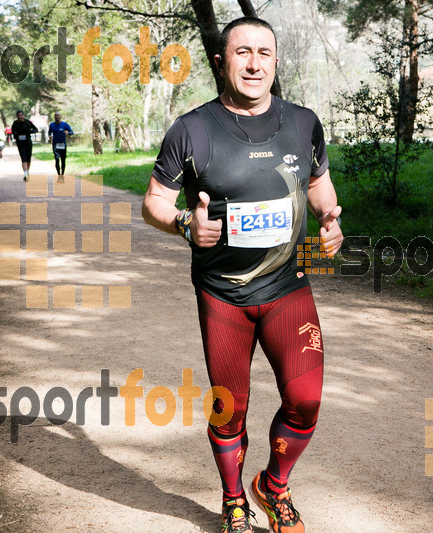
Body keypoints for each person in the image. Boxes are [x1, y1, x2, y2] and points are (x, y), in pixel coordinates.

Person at [142, 17, 343, 533]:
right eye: (242, 52)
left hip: (287, 286)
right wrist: (186, 223)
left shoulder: (303, 122)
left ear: (276, 62)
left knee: (306, 399)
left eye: (265, 53)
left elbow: (319, 182)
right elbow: (154, 203)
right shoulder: (191, 130)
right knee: (228, 409)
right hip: (222, 295)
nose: (254, 64)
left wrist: (329, 220)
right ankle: (234, 499)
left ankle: (273, 486)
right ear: (221, 61)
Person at [11, 110, 39, 181]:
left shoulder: (28, 122)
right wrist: (15, 135)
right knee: (23, 158)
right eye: (18, 116)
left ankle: (27, 172)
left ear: (23, 115)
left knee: (28, 158)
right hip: (20, 143)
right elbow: (12, 131)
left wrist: (30, 131)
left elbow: (36, 129)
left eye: (21, 115)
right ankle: (25, 174)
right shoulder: (15, 123)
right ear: (17, 116)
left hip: (28, 142)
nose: (20, 117)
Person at [48, 112, 74, 181]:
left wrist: (68, 132)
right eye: (56, 115)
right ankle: (59, 175)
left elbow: (72, 132)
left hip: (63, 144)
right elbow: (49, 132)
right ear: (54, 117)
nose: (57, 117)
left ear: (60, 117)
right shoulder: (52, 125)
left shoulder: (64, 124)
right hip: (55, 145)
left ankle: (62, 174)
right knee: (57, 160)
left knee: (63, 160)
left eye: (58, 115)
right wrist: (50, 136)